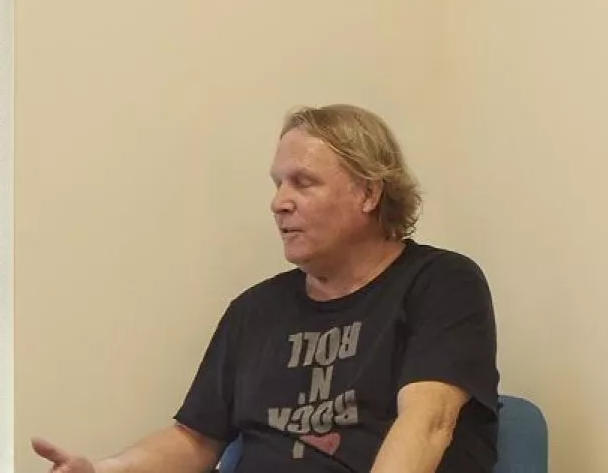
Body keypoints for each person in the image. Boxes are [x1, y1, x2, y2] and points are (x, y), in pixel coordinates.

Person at [33, 106, 498, 473]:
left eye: (303, 182)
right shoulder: (256, 310)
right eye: (277, 185)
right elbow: (194, 439)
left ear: (368, 194)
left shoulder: (441, 283)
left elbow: (428, 422)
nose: (279, 203)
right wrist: (103, 469)